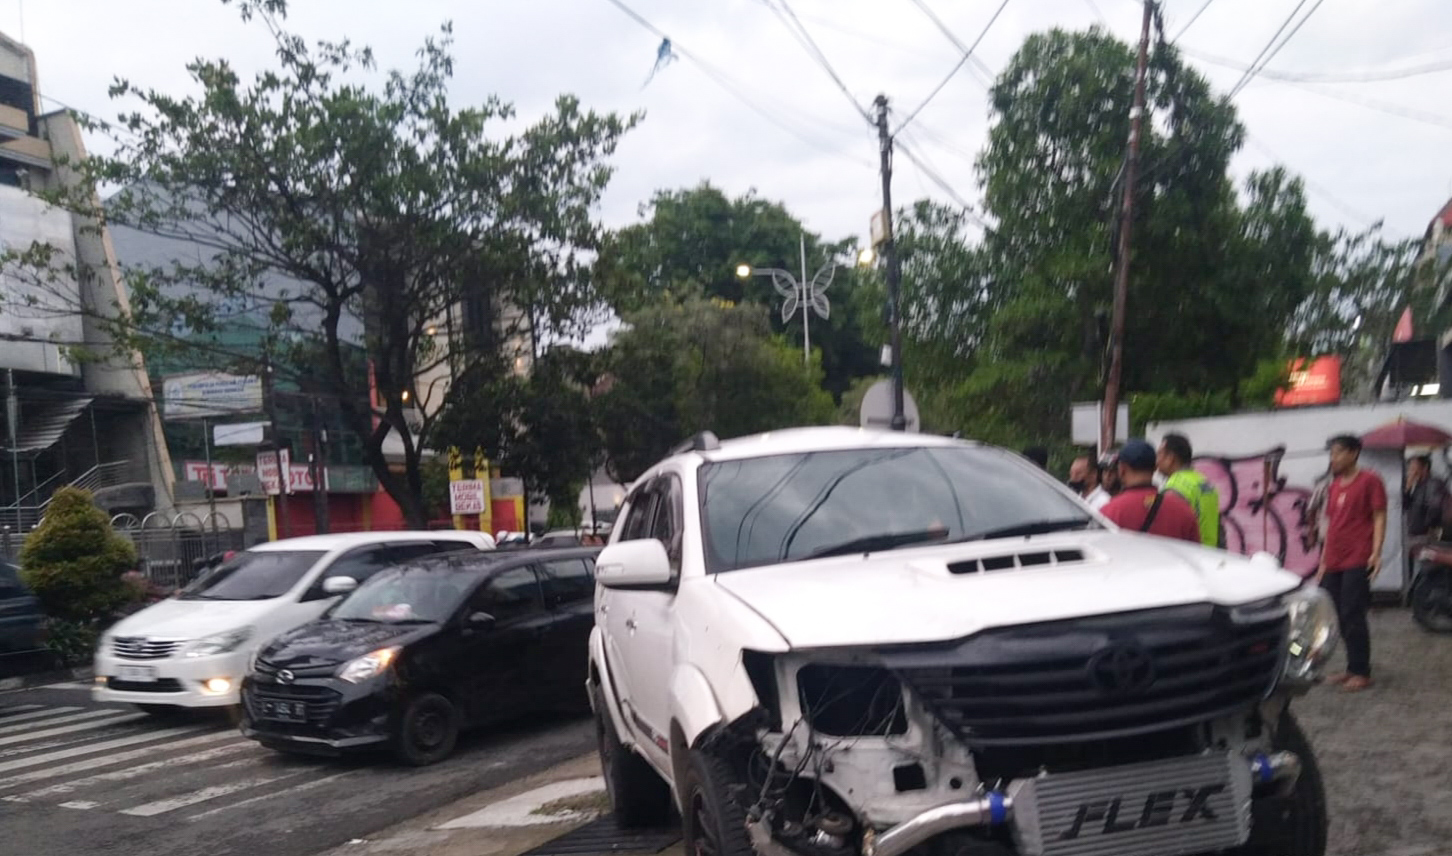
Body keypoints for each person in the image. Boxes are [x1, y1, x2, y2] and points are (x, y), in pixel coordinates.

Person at [1317, 434, 1386, 694]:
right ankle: (1350, 667)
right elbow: (1332, 525)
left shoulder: (1370, 480)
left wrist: (1376, 553)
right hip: (1334, 558)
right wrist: (1323, 560)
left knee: (1352, 613)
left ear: (1353, 453)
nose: (1332, 458)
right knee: (1335, 613)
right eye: (1331, 453)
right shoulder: (1334, 485)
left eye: (1337, 453)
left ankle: (1361, 671)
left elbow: (1379, 516)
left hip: (1358, 557)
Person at [1100, 440, 1201, 543]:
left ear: (1122, 469)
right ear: (1155, 468)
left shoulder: (1108, 512)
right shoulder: (1184, 510)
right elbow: (1195, 553)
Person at [1157, 433, 1222, 548]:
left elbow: (1170, 532)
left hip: (1190, 557)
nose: (1157, 461)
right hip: (1211, 557)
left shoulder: (1173, 488)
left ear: (1170, 458)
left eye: (1159, 454)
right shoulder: (1205, 483)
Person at [1404, 453, 1445, 540]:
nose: (1411, 471)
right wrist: (1407, 489)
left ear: (1425, 467)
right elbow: (1405, 505)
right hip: (1413, 532)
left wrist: (1427, 526)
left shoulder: (1433, 484)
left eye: (1414, 468)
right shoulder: (1417, 485)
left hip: (1424, 533)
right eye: (1410, 468)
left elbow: (1435, 507)